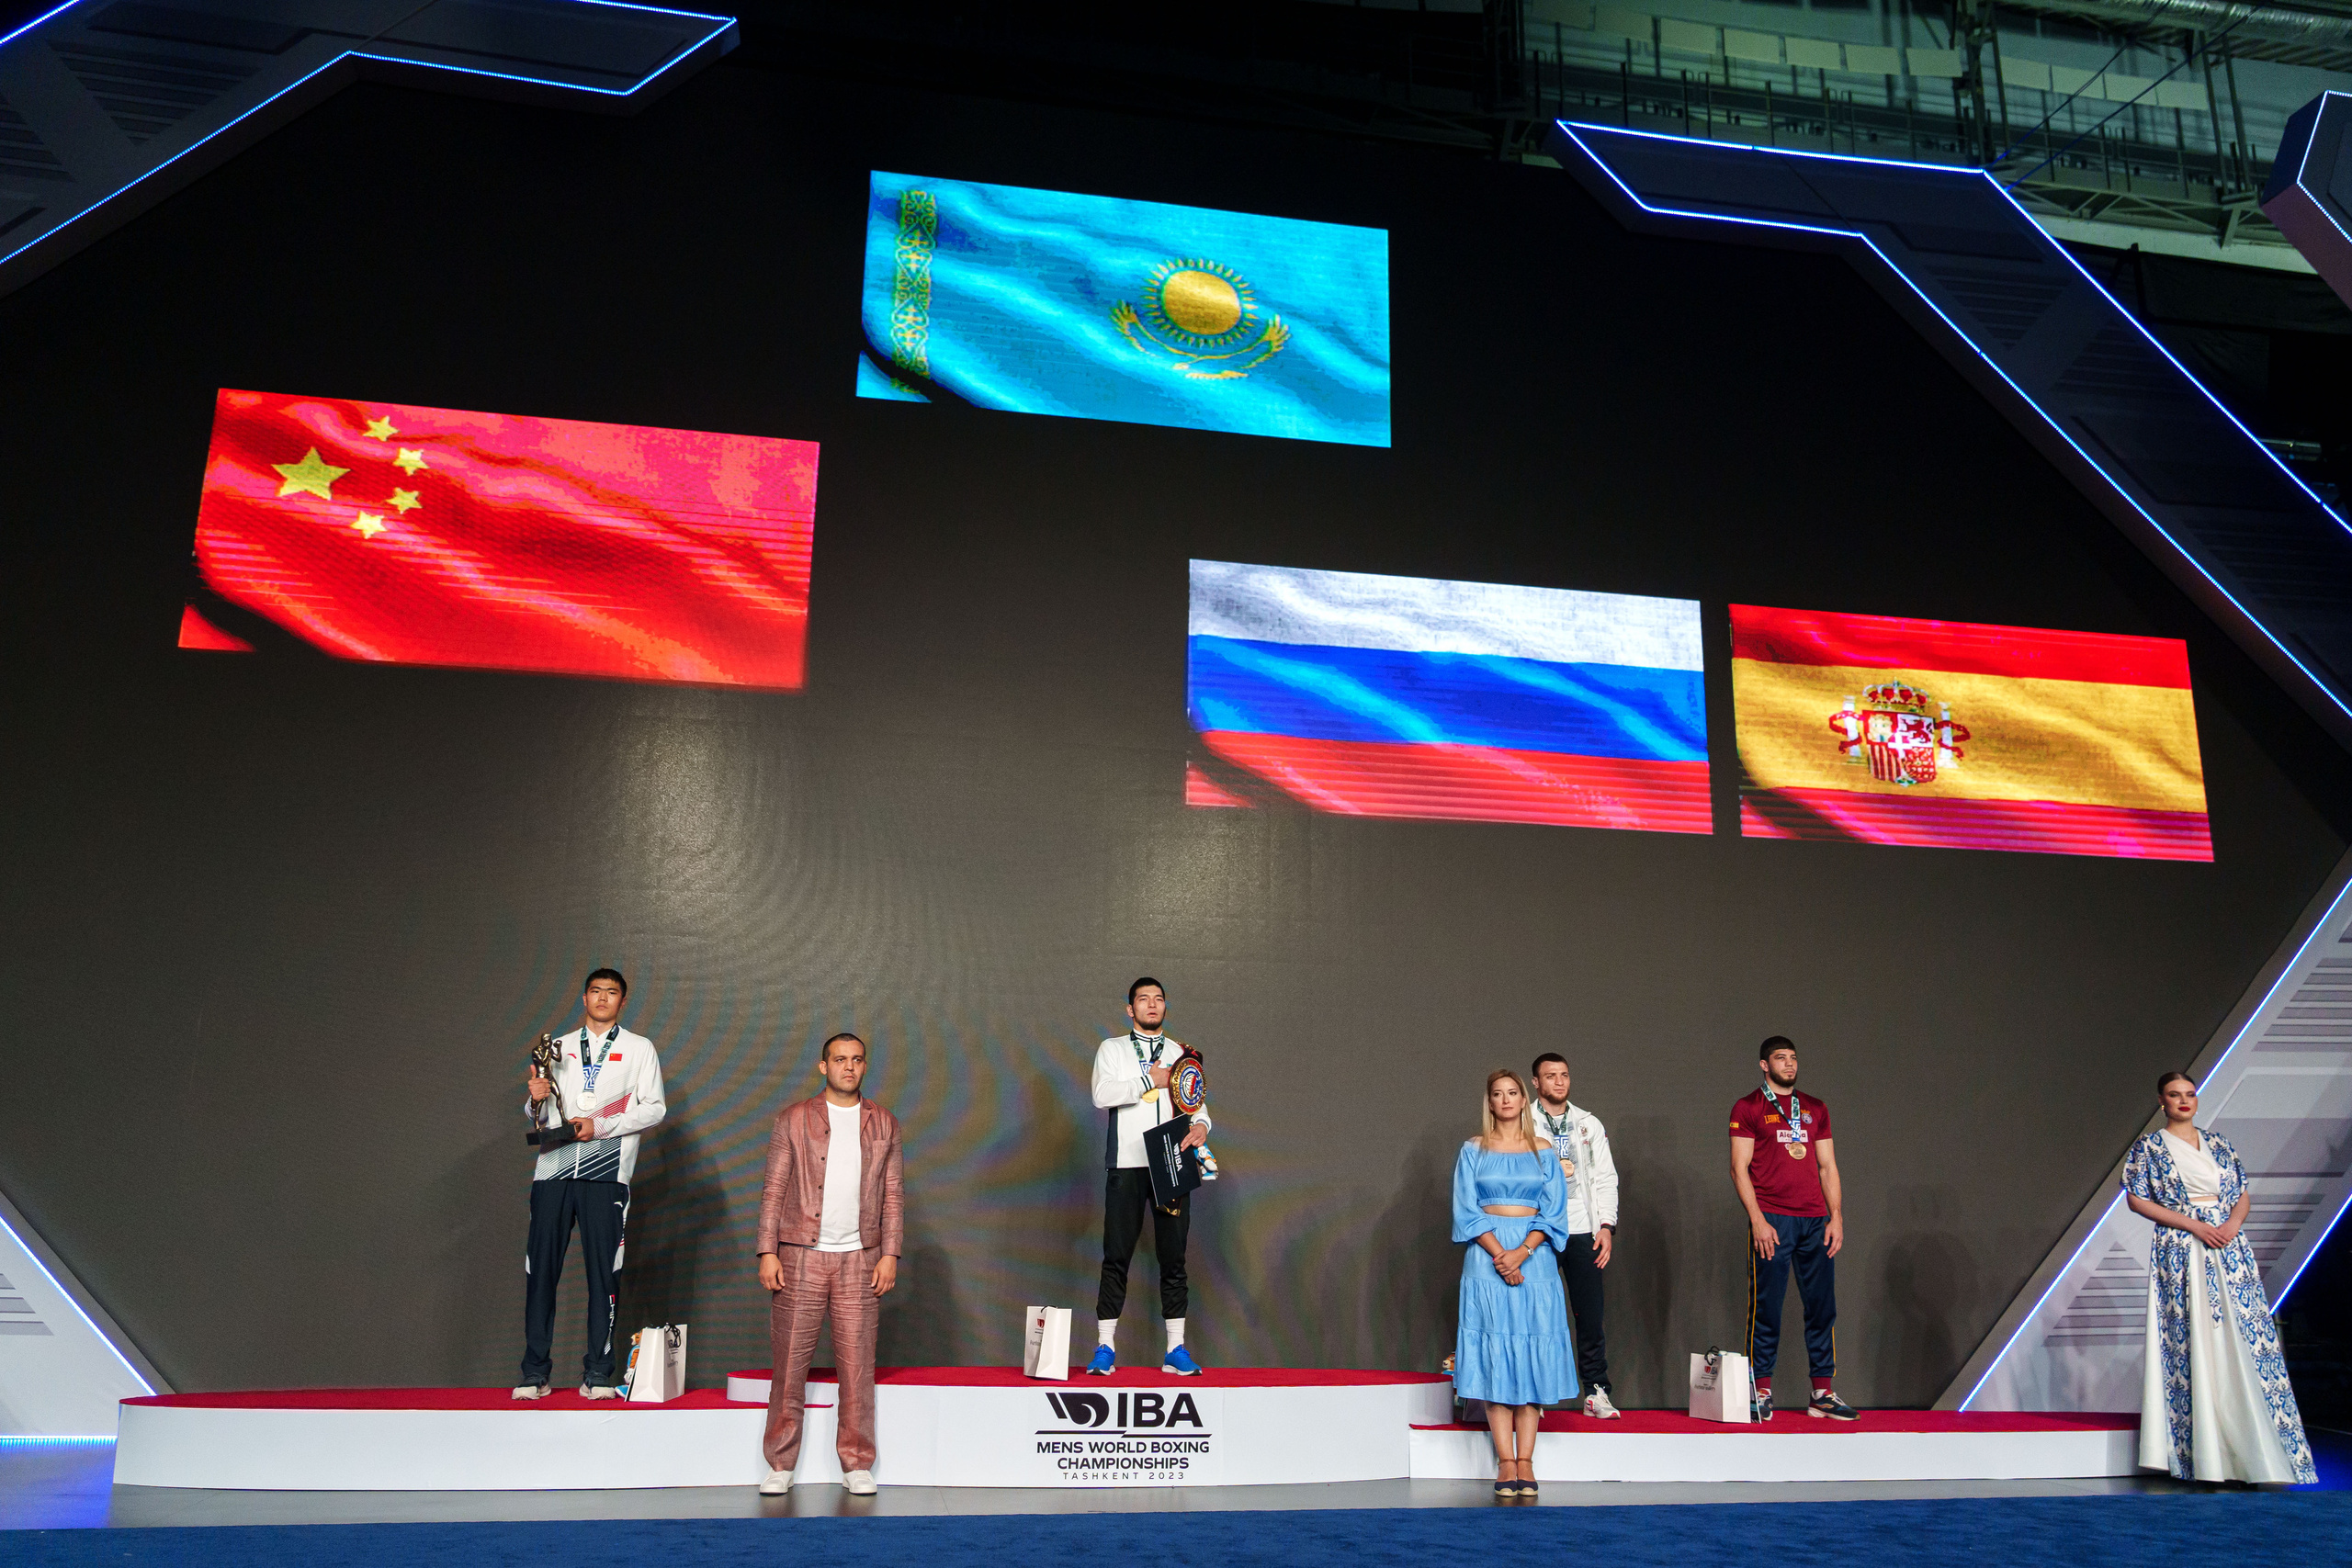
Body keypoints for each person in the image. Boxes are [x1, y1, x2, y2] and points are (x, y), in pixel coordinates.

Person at [2122, 1070, 2314, 1483]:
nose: (2184, 1101)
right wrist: (2193, 1225)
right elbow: (2136, 1198)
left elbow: (2241, 1192)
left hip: (2228, 1247)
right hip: (2181, 1247)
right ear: (2162, 1102)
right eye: (2174, 1095)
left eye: (2190, 1094)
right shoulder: (2150, 1147)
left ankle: (2255, 1451)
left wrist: (2230, 1225)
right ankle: (2204, 1455)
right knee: (2194, 1337)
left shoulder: (2219, 1143)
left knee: (2239, 1336)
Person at [755, 1032, 905, 1497]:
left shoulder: (884, 1123)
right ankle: (780, 1463)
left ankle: (857, 1462)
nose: (849, 1067)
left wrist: (890, 1253)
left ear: (865, 1066)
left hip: (860, 1260)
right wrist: (767, 1251)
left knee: (858, 1368)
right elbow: (774, 1189)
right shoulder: (794, 1119)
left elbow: (894, 1195)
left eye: (857, 1060)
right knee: (789, 1367)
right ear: (823, 1066)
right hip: (800, 1256)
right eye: (839, 1060)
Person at [516, 968, 667, 1400]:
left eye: (612, 993)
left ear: (623, 1001)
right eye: (596, 992)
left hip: (608, 1172)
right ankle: (534, 1373)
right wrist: (536, 1098)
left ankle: (598, 1373)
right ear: (584, 998)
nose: (603, 999)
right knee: (540, 1271)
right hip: (553, 1170)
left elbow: (654, 1109)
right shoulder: (557, 1047)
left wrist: (598, 1126)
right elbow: (539, 1116)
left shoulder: (639, 1048)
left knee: (605, 1275)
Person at [1453, 1068, 1577, 1499]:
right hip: (1486, 1260)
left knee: (1530, 1353)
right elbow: (1466, 1209)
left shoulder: (1543, 1151)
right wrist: (1498, 1255)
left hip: (1535, 1259)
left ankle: (1526, 1460)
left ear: (1524, 1100)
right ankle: (1505, 1461)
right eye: (1497, 1094)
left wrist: (1521, 1253)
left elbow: (1554, 1211)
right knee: (1494, 1352)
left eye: (1512, 1093)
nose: (1505, 1099)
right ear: (1489, 1102)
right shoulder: (1472, 1150)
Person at [1728, 1036, 1855, 1421]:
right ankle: (1760, 1391)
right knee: (1766, 1308)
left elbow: (1827, 1166)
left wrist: (1836, 1216)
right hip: (1773, 1219)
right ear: (1764, 1065)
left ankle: (1822, 1393)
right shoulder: (1748, 1107)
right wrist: (1757, 1220)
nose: (1789, 1064)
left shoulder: (1815, 1108)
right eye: (1780, 1058)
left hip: (1815, 1221)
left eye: (1793, 1058)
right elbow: (1739, 1167)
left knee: (1822, 1307)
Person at [1087, 977, 1209, 1376]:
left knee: (1173, 1257)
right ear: (1130, 1009)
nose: (1151, 1005)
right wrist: (1148, 1081)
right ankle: (1105, 1347)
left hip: (1171, 1162)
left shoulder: (1181, 1053)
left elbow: (1196, 1103)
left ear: (1165, 1007)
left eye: (1158, 999)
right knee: (1116, 1255)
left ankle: (1176, 1349)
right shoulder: (1113, 1049)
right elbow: (1101, 1095)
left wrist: (1203, 1126)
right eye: (1143, 999)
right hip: (1126, 1163)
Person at [1530, 1053, 1620, 1419]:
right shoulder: (1523, 1121)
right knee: (1537, 1315)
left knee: (1590, 1315)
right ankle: (1533, 1396)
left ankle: (1596, 1392)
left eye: (1564, 1075)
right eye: (1550, 1076)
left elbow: (1605, 1177)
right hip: (1539, 1230)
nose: (1559, 1082)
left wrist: (1606, 1226)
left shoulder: (1587, 1123)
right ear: (1536, 1083)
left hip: (1583, 1229)